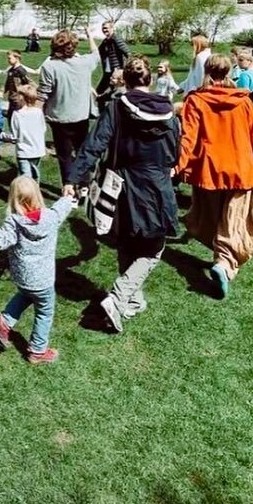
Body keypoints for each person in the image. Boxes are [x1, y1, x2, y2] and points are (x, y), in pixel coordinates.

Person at [65, 57, 180, 332]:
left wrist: (74, 177)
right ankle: (119, 298)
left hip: (124, 185)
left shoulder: (117, 107)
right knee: (153, 248)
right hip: (156, 184)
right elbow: (175, 151)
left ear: (125, 81)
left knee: (130, 241)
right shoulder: (170, 113)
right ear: (149, 80)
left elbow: (94, 144)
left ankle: (129, 299)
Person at [174, 53, 253, 299]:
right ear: (229, 72)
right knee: (235, 221)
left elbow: (188, 137)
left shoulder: (195, 100)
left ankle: (222, 260)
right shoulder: (243, 102)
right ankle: (224, 263)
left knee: (210, 218)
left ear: (207, 72)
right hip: (241, 170)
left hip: (209, 171)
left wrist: (178, 165)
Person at [0, 177, 73, 364]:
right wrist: (67, 197)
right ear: (38, 194)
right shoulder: (51, 217)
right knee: (44, 312)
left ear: (14, 199)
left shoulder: (13, 222)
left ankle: (4, 322)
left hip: (22, 278)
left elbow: (0, 243)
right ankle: (37, 351)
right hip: (43, 280)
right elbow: (61, 208)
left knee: (25, 295)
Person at [38, 25, 99, 185]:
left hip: (59, 119)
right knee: (81, 152)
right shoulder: (85, 62)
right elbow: (96, 55)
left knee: (64, 156)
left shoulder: (49, 66)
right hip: (81, 116)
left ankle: (69, 189)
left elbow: (43, 94)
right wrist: (90, 36)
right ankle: (84, 184)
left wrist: (34, 114)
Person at [10, 83, 46, 180]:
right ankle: (35, 193)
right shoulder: (39, 112)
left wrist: (3, 136)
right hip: (37, 150)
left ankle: (26, 194)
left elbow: (14, 136)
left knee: (25, 177)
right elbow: (43, 129)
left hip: (23, 151)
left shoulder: (17, 114)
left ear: (22, 98)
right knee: (35, 176)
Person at [96, 21, 130, 102]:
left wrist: (123, 69)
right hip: (108, 72)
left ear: (112, 28)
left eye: (106, 28)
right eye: (103, 28)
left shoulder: (116, 38)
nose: (104, 30)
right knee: (100, 92)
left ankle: (113, 110)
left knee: (114, 92)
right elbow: (97, 52)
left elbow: (127, 52)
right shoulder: (105, 41)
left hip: (115, 72)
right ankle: (102, 110)